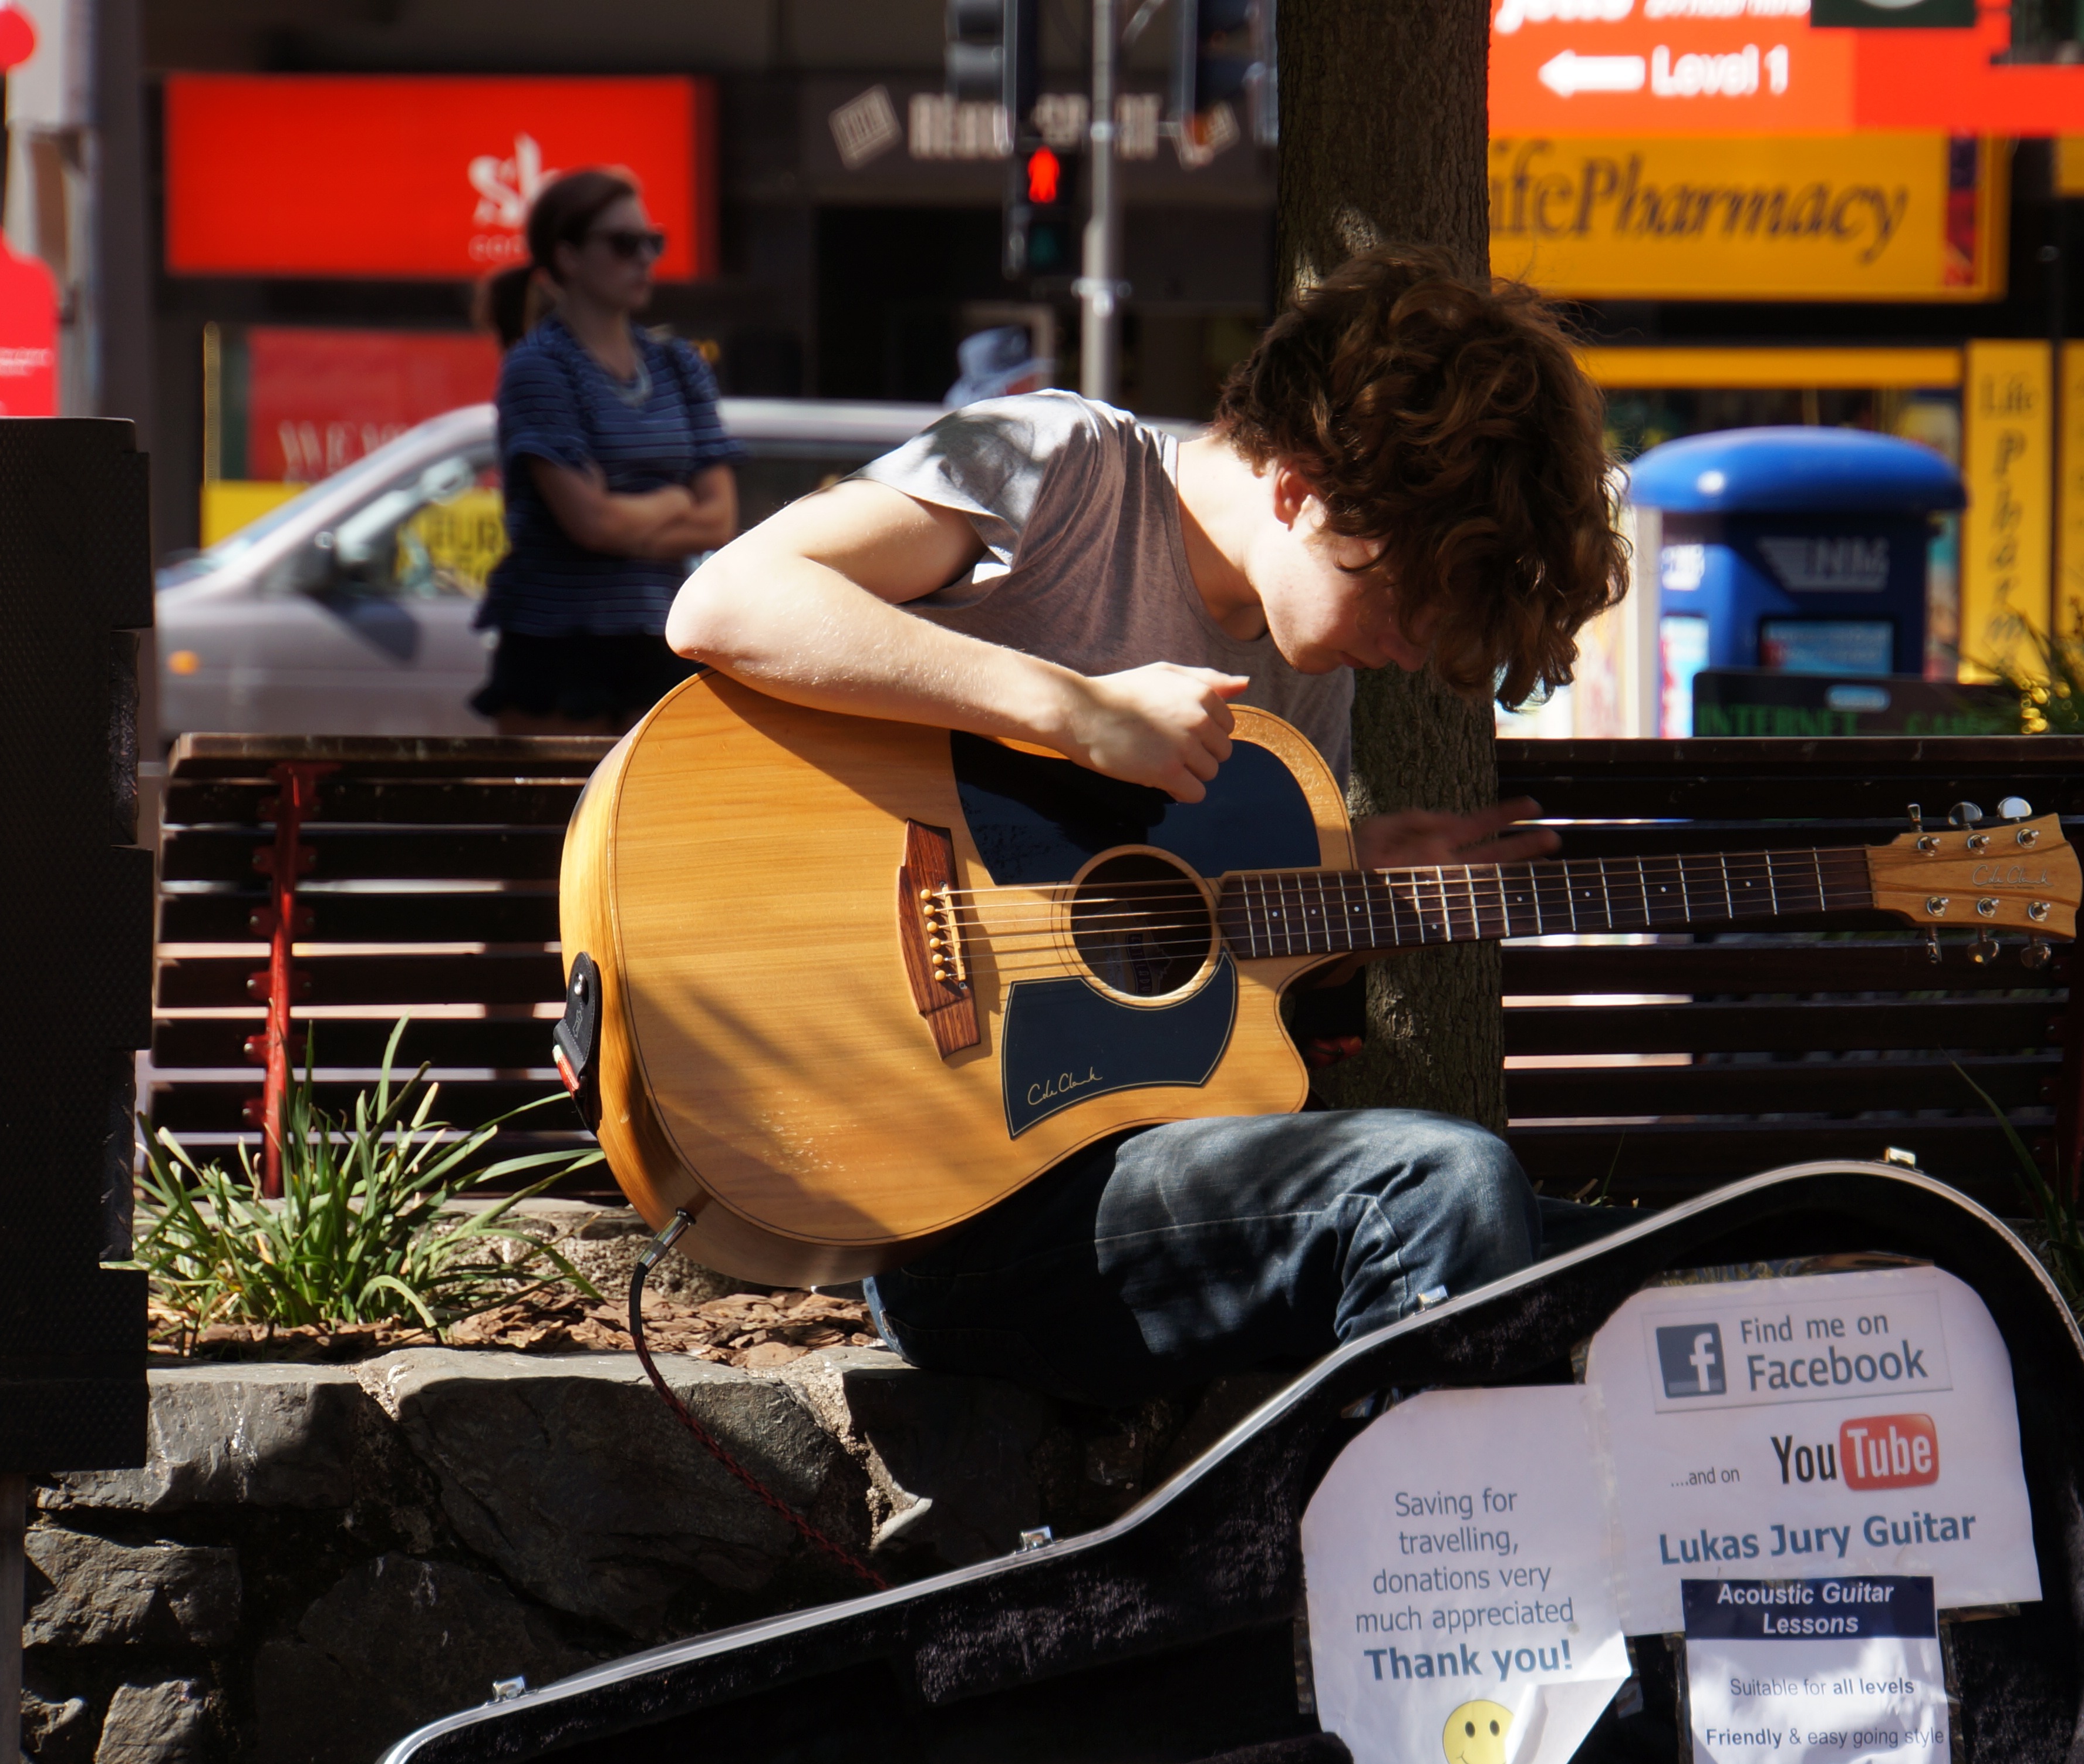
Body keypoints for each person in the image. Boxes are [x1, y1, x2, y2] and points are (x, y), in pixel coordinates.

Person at [665, 245, 1630, 1405]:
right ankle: (1369, 1574)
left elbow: (1188, 998)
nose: (1416, 644)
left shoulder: (1299, 665)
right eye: (1403, 593)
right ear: (1298, 489)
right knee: (1443, 1187)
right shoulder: (1057, 466)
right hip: (943, 1199)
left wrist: (1341, 891)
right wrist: (1068, 711)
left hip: (1128, 1186)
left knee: (1615, 1256)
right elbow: (725, 602)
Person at [471, 168, 740, 733]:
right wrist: (672, 501)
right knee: (561, 820)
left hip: (661, 637)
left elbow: (720, 518)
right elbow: (589, 524)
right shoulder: (539, 367)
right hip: (559, 652)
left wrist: (626, 517)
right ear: (568, 257)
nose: (645, 258)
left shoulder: (678, 364)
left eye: (653, 242)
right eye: (623, 244)